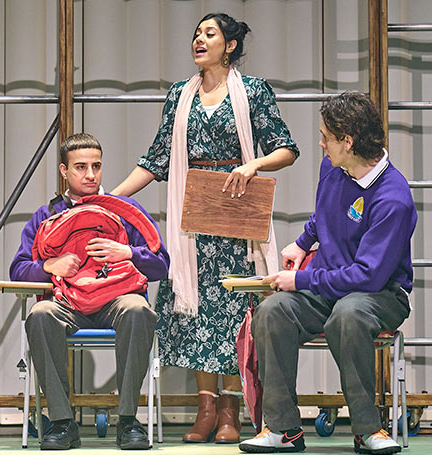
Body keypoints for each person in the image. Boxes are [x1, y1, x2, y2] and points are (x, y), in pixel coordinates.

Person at [112, 13, 299, 443]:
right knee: (197, 308)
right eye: (196, 34)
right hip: (193, 211)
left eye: (209, 34)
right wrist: (110, 200)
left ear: (229, 45)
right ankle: (205, 408)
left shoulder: (252, 91)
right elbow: (157, 158)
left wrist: (252, 164)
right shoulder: (180, 94)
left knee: (236, 308)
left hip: (237, 212)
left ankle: (232, 409)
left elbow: (287, 148)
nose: (199, 39)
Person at [240, 92, 416, 454]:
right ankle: (283, 428)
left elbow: (367, 276)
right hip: (331, 285)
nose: (320, 143)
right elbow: (323, 213)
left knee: (347, 315)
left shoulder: (393, 198)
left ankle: (368, 430)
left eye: (326, 136)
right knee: (273, 311)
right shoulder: (334, 167)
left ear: (347, 142)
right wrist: (303, 243)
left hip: (381, 294)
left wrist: (301, 279)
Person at [10, 133, 170, 450]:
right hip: (68, 302)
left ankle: (128, 422)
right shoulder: (47, 215)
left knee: (138, 310)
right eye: (80, 167)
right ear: (64, 171)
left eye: (96, 166)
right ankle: (61, 422)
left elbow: (161, 265)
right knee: (40, 314)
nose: (90, 175)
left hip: (117, 299)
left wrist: (128, 253)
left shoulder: (126, 211)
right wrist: (49, 266)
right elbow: (18, 269)